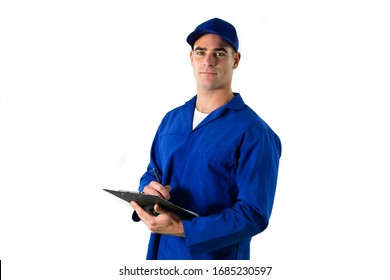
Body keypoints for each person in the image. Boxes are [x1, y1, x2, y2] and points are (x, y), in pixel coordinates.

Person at [130, 17, 282, 260]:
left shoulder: (254, 132)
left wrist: (183, 228)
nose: (208, 60)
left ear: (236, 60)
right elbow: (153, 172)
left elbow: (254, 213)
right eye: (201, 52)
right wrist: (148, 190)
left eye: (219, 53)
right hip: (161, 256)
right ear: (191, 58)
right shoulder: (172, 119)